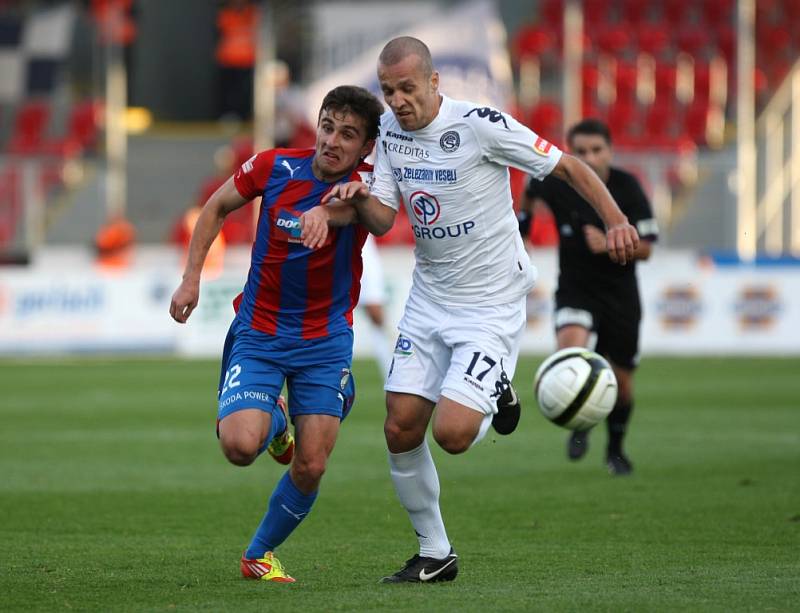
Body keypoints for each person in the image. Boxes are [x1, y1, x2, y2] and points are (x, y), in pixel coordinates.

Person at [318, 37, 640, 583]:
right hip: (429, 295)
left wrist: (615, 219)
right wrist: (352, 202)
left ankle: (496, 387)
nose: (397, 101)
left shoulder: (481, 124)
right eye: (389, 90)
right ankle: (435, 553)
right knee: (399, 429)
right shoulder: (392, 133)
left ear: (434, 82)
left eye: (407, 88)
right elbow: (384, 217)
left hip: (490, 299)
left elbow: (565, 168)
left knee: (454, 435)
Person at [169, 85, 384, 582]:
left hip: (325, 340)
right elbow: (216, 207)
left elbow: (381, 220)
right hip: (260, 332)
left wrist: (344, 206)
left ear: (366, 146)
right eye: (328, 127)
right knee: (240, 447)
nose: (332, 141)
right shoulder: (275, 166)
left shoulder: (372, 185)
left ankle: (258, 554)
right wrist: (191, 278)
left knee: (311, 466)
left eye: (348, 135)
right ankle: (277, 420)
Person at [518, 118, 658, 476]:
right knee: (570, 358)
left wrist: (612, 246)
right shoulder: (557, 181)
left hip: (620, 296)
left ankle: (615, 448)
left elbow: (647, 249)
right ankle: (579, 419)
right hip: (575, 290)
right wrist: (524, 228)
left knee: (621, 382)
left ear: (610, 151)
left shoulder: (627, 187)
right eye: (580, 152)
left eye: (596, 150)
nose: (589, 158)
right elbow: (530, 190)